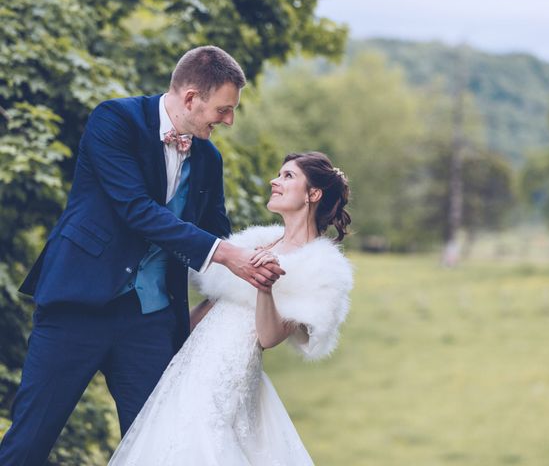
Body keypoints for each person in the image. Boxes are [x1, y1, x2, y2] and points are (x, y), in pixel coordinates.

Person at [0, 46, 285, 465]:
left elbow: (216, 230)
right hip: (77, 305)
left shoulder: (209, 157)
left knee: (159, 447)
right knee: (28, 442)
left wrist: (266, 251)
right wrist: (225, 253)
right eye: (224, 109)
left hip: (150, 322)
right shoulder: (114, 119)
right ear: (191, 98)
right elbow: (135, 210)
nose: (229, 120)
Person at [108, 152, 353, 465]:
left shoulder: (318, 266)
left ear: (313, 194)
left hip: (230, 373)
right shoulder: (255, 243)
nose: (274, 182)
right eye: (278, 174)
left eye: (288, 176)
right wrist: (167, 343)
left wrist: (264, 287)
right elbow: (214, 306)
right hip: (191, 364)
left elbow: (268, 337)